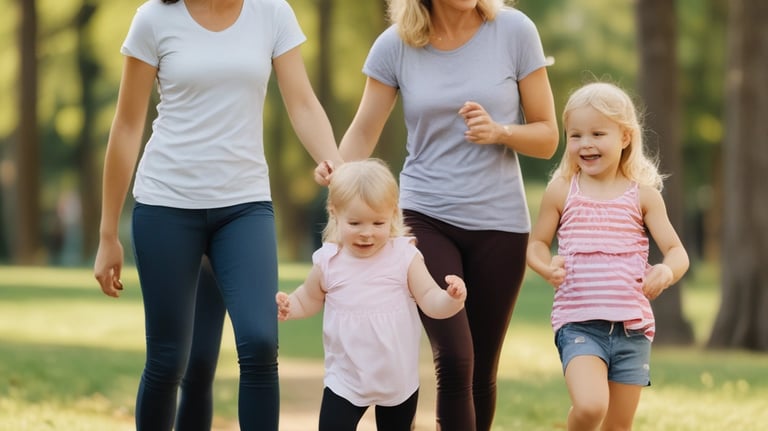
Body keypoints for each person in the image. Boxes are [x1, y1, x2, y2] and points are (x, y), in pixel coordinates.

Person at [92, 0, 343, 429]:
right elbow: (128, 124)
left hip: (243, 206)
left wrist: (335, 167)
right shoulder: (153, 19)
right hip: (166, 205)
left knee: (261, 343)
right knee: (172, 359)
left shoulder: (272, 13)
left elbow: (301, 102)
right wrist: (107, 233)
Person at [317, 0, 559, 429]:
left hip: (500, 223)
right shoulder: (396, 45)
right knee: (455, 356)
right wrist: (337, 172)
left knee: (482, 368)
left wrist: (500, 131)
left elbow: (547, 137)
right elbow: (365, 130)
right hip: (425, 214)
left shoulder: (515, 31)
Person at [526, 82, 690, 431]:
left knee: (617, 425)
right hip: (579, 323)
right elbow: (536, 244)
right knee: (590, 408)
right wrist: (545, 265)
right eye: (576, 135)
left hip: (632, 329)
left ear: (625, 137)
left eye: (598, 133)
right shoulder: (561, 191)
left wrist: (665, 271)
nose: (585, 144)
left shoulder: (643, 196)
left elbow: (677, 252)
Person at [276, 159, 468, 431]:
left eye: (378, 222)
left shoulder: (404, 257)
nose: (367, 233)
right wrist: (289, 305)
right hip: (345, 378)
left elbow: (429, 298)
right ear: (335, 213)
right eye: (355, 223)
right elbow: (308, 297)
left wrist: (451, 300)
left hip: (397, 380)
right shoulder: (329, 261)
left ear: (393, 214)